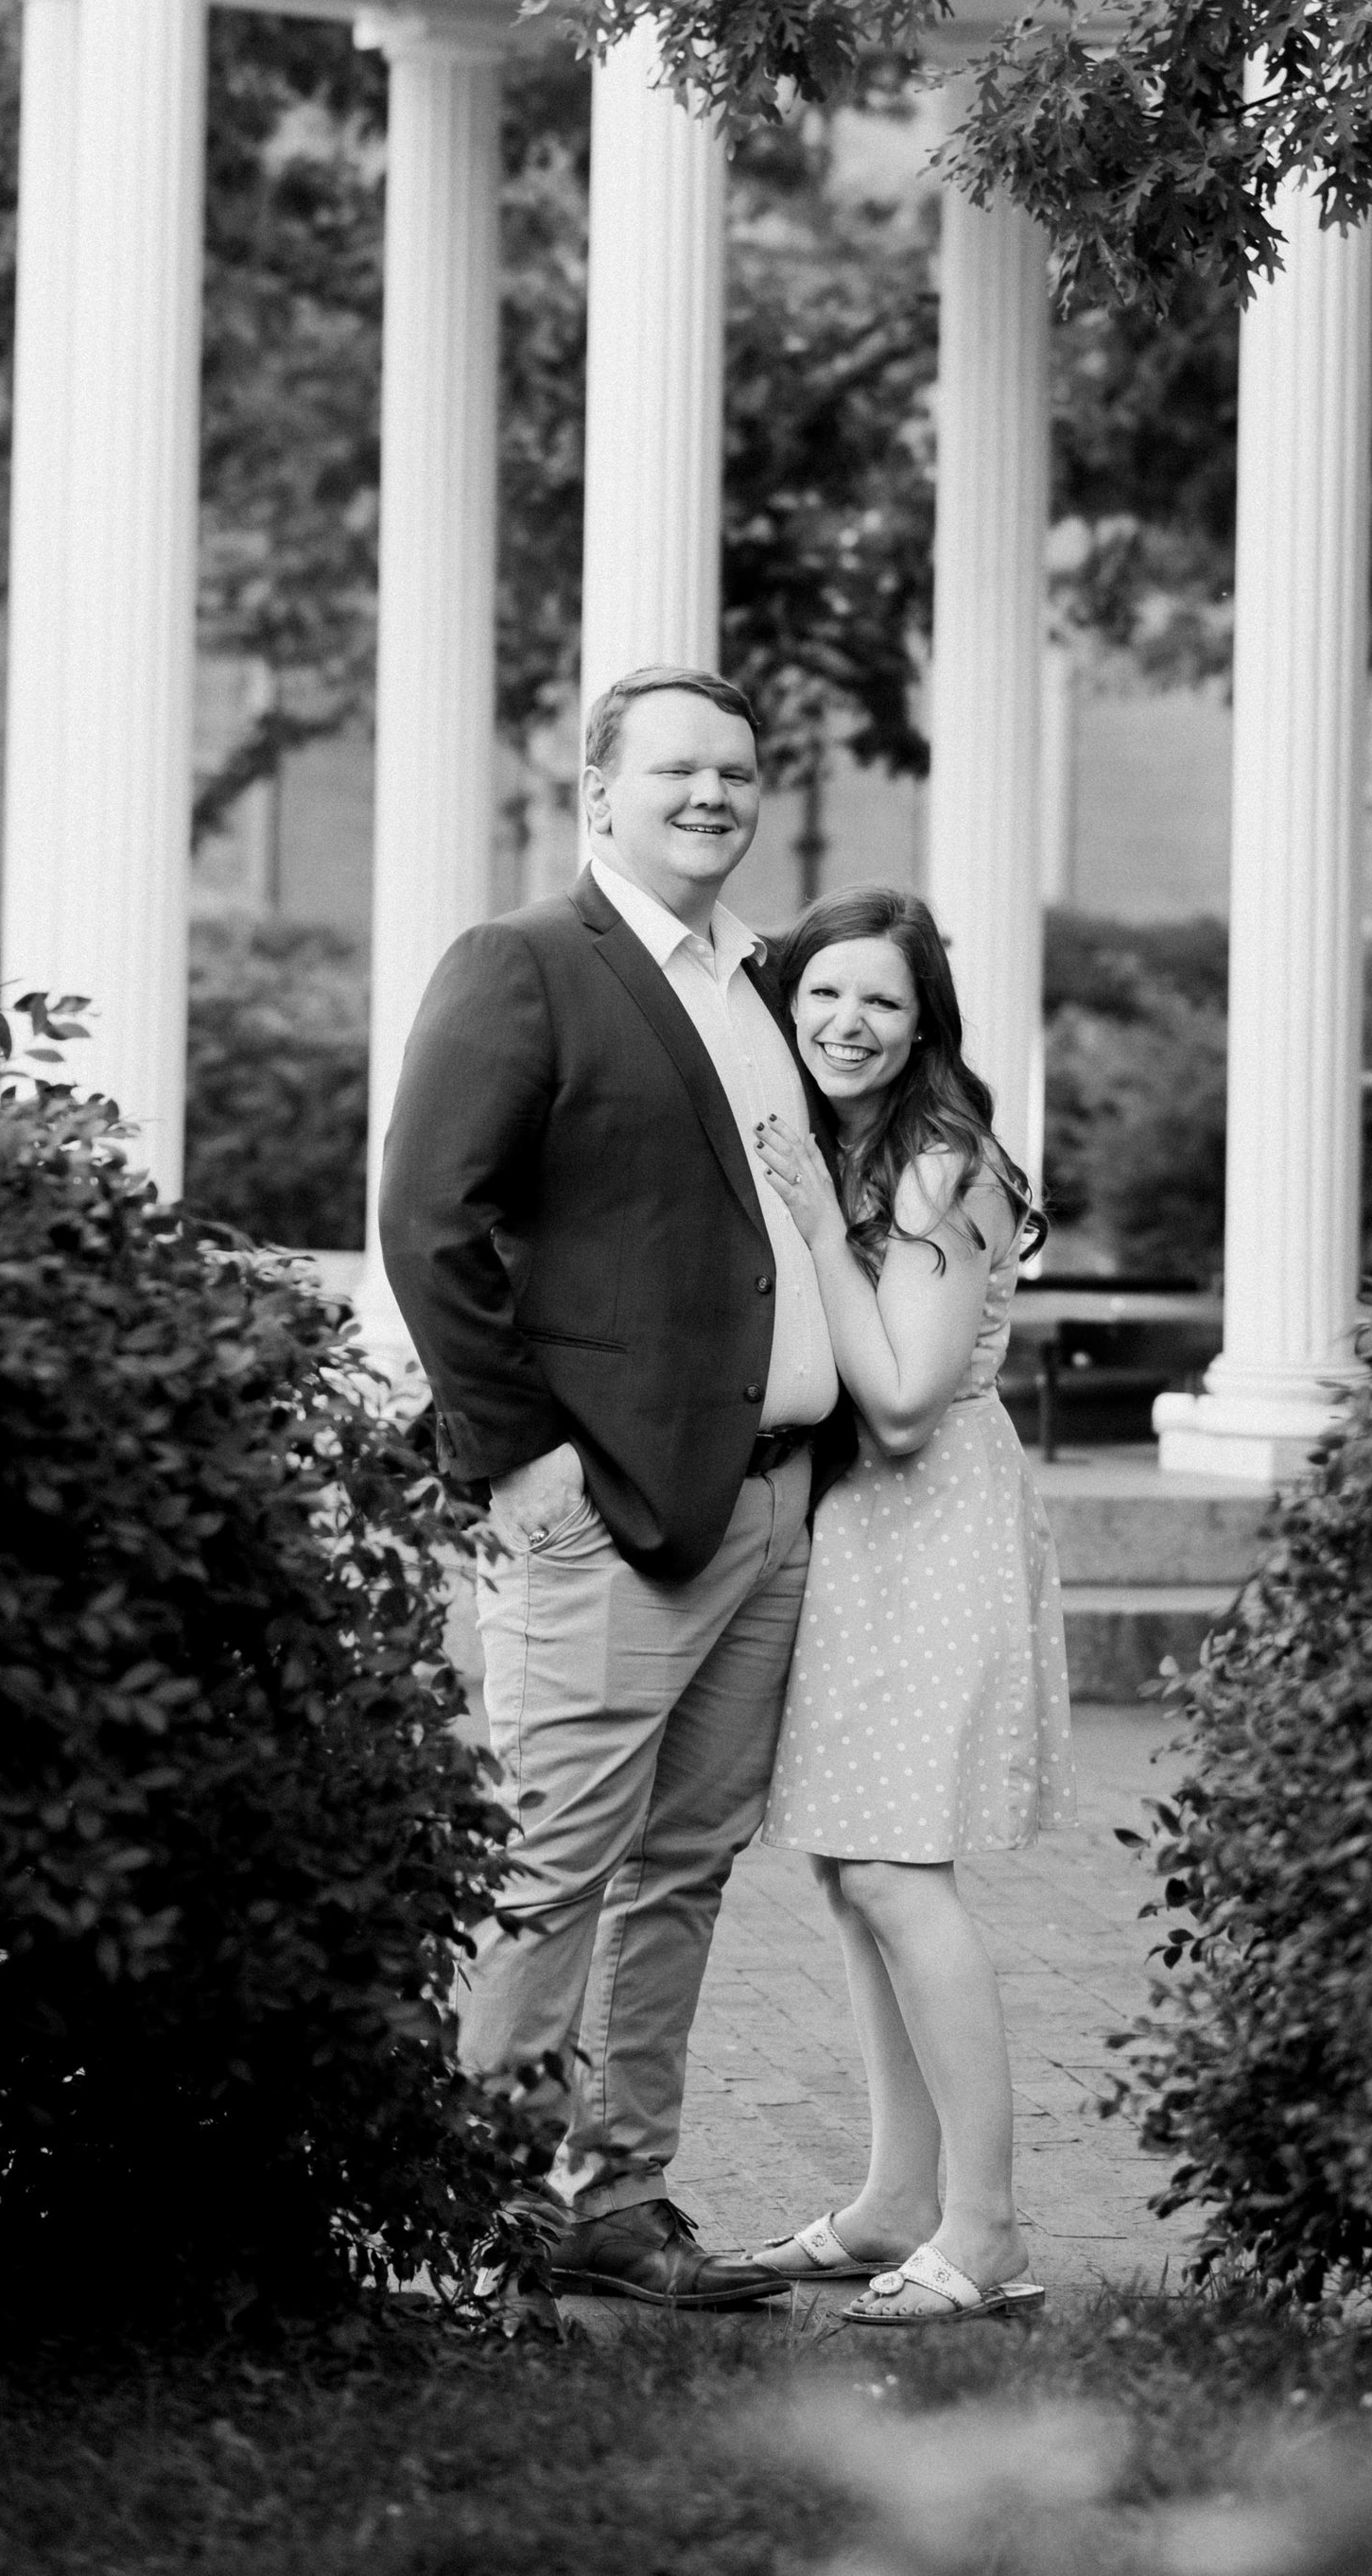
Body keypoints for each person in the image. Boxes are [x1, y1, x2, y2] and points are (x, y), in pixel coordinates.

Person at [375, 666, 854, 2307]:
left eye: (735, 766)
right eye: (676, 770)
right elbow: (428, 1219)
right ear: (597, 791)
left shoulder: (756, 978)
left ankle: (615, 2199)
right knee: (552, 1869)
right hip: (603, 1514)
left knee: (685, 1868)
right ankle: (475, 2221)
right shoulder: (524, 964)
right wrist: (518, 1458)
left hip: (773, 1502)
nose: (713, 793)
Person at [741, 884, 1075, 2326]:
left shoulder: (935, 1164)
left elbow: (897, 1404)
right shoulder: (856, 1144)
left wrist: (819, 1228)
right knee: (844, 1865)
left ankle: (986, 2224)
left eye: (879, 998)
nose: (845, 1022)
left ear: (925, 1018)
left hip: (927, 1517)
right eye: (820, 994)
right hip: (863, 1536)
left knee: (897, 1871)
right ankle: (892, 2196)